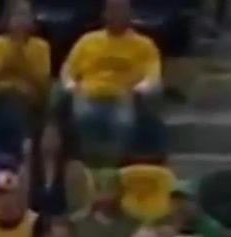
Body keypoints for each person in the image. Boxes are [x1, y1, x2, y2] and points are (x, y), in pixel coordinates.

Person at [60, 0, 161, 157]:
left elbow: (153, 74)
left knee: (123, 123)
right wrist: (69, 84)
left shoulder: (145, 45)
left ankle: (117, 161)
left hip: (124, 97)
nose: (116, 15)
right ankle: (89, 160)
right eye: (112, 10)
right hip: (88, 95)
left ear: (130, 14)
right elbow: (68, 68)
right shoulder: (87, 41)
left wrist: (144, 86)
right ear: (104, 14)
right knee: (84, 118)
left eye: (121, 10)